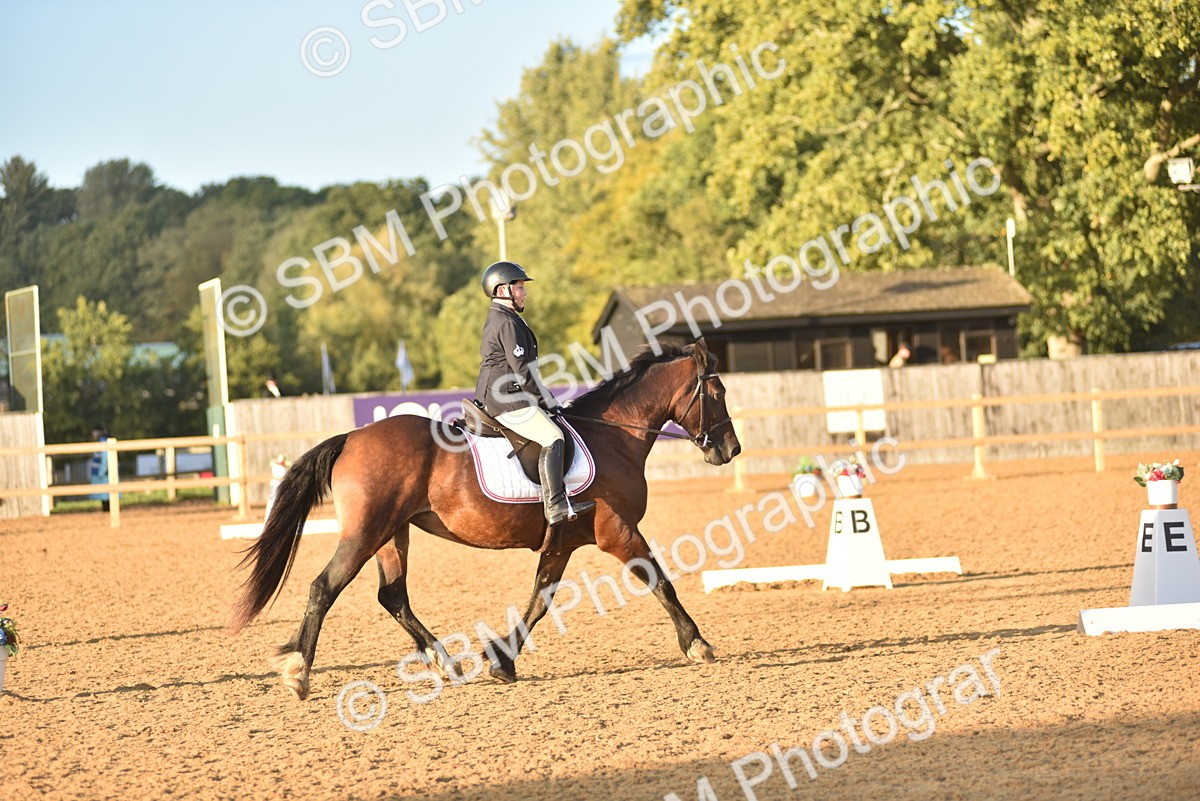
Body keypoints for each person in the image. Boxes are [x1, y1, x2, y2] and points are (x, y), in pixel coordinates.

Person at [475, 261, 595, 527]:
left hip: (504, 395)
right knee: (553, 436)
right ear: (503, 289)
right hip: (507, 400)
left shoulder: (504, 317)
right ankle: (555, 505)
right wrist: (547, 403)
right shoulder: (506, 322)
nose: (524, 292)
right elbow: (523, 373)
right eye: (519, 287)